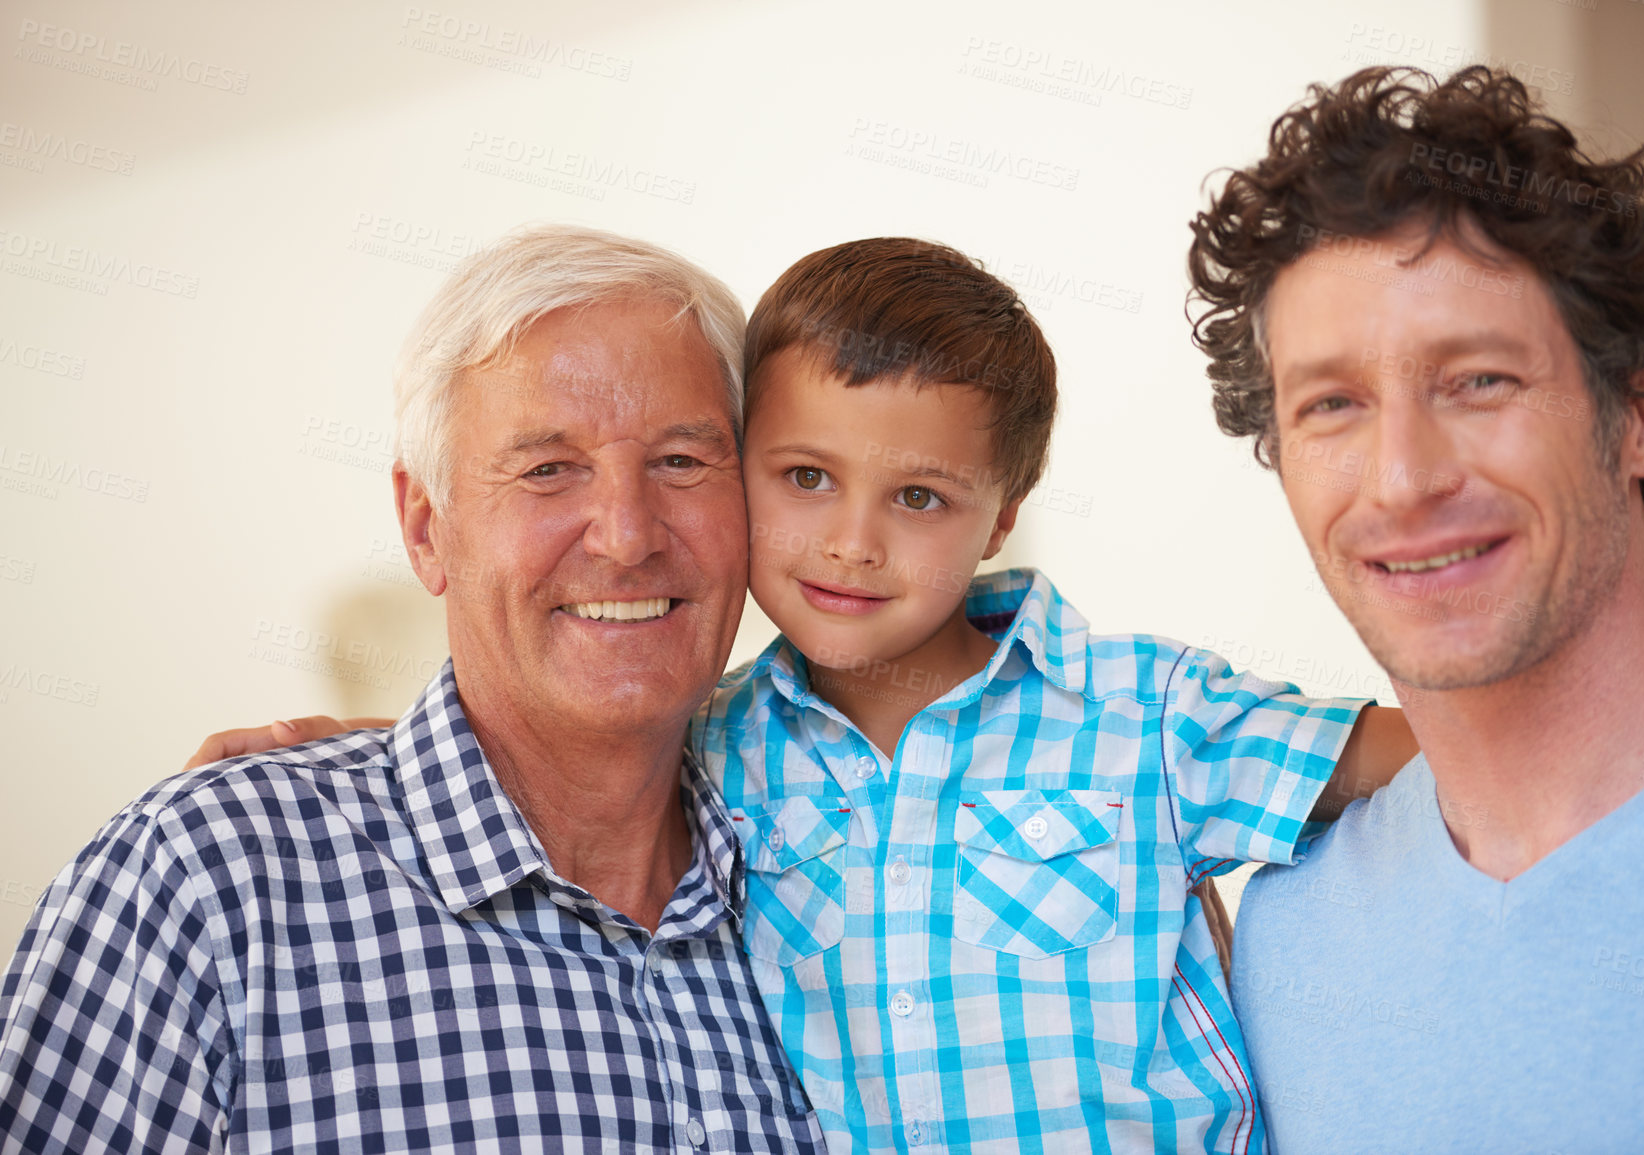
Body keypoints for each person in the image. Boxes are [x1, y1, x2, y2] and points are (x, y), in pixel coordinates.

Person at [179, 233, 1421, 1153]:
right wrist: (382, 750)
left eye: (920, 498)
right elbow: (553, 752)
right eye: (806, 478)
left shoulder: (1147, 713)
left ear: (1005, 515)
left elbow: (1432, 755)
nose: (852, 545)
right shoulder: (722, 752)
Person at [0, 227, 825, 1151]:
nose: (627, 535)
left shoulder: (838, 871)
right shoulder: (206, 881)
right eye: (547, 469)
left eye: (681, 460)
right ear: (426, 527)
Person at [1186, 65, 1644, 1151]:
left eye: (1478, 381)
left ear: (1643, 412)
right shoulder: (1284, 939)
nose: (1401, 478)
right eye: (1333, 404)